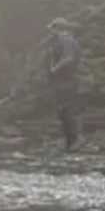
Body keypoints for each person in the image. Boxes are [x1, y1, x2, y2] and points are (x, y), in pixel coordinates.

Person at [44, 18, 83, 150]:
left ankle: (75, 141)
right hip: (62, 81)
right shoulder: (61, 41)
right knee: (63, 110)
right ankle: (69, 142)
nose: (50, 32)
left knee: (67, 110)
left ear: (58, 28)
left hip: (67, 81)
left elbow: (69, 58)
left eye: (52, 29)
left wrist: (55, 68)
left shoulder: (66, 40)